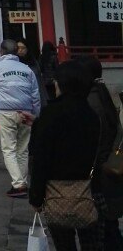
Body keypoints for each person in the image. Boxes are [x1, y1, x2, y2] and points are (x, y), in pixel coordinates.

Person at [29, 60, 102, 251]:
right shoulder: (91, 115)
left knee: (64, 243)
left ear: (62, 84)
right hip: (87, 189)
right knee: (91, 242)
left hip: (56, 190)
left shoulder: (51, 114)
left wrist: (36, 196)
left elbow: (40, 159)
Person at [0, 38, 41, 198]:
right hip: (26, 111)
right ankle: (22, 182)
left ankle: (18, 184)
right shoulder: (27, 69)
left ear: (1, 51)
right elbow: (35, 95)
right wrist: (35, 114)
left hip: (6, 112)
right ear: (17, 52)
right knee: (22, 149)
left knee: (9, 149)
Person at [82, 57, 123, 251]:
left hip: (99, 170)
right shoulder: (101, 94)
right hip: (108, 169)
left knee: (102, 228)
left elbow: (95, 140)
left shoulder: (91, 101)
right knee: (109, 225)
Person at [16, 40, 47, 109]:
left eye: (23, 48)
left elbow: (38, 81)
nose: (20, 50)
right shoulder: (13, 63)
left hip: (35, 96)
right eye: (18, 48)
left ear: (27, 49)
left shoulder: (33, 62)